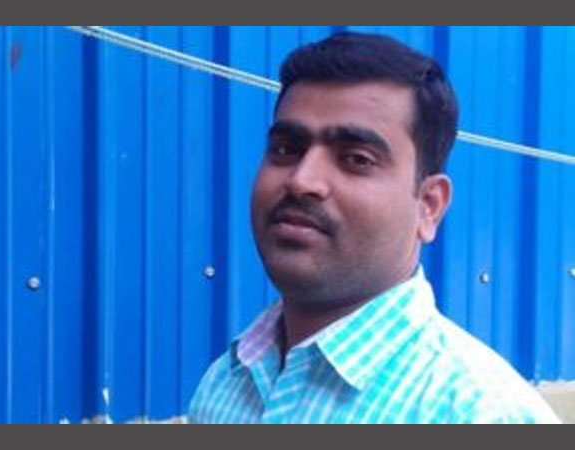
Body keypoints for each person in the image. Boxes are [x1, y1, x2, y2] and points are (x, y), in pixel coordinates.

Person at [188, 32, 560, 424]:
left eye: (356, 159)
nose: (301, 180)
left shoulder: (481, 415)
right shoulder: (225, 385)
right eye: (286, 149)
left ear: (429, 206)